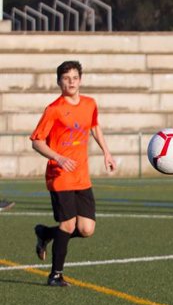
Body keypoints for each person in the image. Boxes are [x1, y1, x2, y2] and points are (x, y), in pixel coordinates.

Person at [30, 60, 116, 287]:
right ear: (59, 81)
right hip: (60, 175)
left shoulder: (90, 104)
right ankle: (55, 275)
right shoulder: (54, 109)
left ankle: (46, 233)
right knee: (68, 225)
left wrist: (106, 152)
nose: (71, 82)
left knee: (86, 229)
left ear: (80, 80)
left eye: (75, 77)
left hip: (82, 175)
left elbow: (95, 127)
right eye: (66, 78)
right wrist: (57, 157)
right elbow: (36, 142)